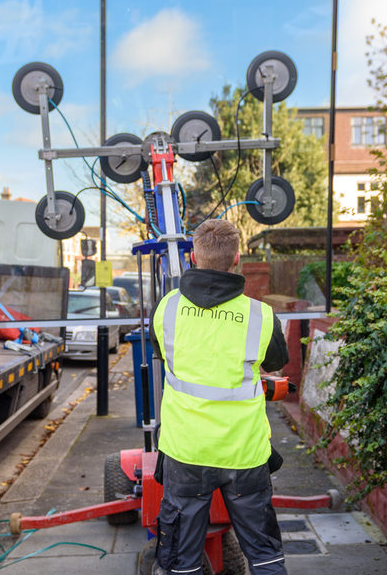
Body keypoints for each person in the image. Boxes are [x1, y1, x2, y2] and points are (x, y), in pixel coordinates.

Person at [150, 218, 289, 575]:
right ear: (237, 259)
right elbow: (275, 362)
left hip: (186, 453)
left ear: (193, 257)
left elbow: (163, 355)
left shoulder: (166, 309)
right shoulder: (261, 316)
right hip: (244, 453)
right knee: (265, 557)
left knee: (180, 562)